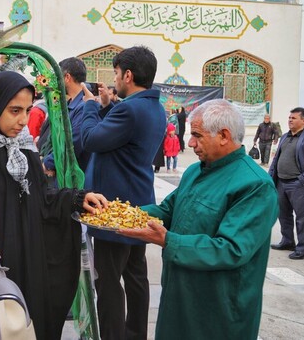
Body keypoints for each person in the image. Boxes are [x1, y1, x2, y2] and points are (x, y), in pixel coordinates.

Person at [0, 71, 109, 340]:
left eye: (26, 110)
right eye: (14, 110)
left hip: (24, 264)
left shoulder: (23, 148)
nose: (23, 120)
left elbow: (40, 201)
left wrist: (74, 198)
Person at [119, 99, 279, 340]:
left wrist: (168, 241)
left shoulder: (255, 185)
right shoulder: (196, 170)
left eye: (196, 135)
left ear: (224, 136)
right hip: (180, 294)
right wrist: (120, 213)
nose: (190, 142)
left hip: (218, 307)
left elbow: (232, 249)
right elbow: (168, 210)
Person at [80, 45, 166, 340]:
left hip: (114, 210)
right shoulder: (154, 106)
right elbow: (121, 139)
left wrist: (91, 105)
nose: (114, 80)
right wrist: (107, 107)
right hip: (139, 202)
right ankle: (135, 334)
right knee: (135, 276)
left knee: (108, 280)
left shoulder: (129, 109)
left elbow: (91, 138)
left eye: (116, 73)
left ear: (128, 75)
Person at [268, 107, 304, 260]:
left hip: (297, 184)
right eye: (289, 117)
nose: (290, 120)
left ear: (303, 121)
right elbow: (276, 160)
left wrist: (301, 180)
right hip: (281, 182)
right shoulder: (285, 136)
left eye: (294, 118)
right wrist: (270, 177)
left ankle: (303, 249)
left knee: (301, 217)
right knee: (283, 215)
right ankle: (287, 241)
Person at [43, 57, 91, 178]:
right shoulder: (72, 104)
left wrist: (48, 163)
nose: (55, 82)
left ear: (67, 77)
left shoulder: (84, 106)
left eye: (58, 77)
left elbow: (72, 144)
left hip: (76, 178)